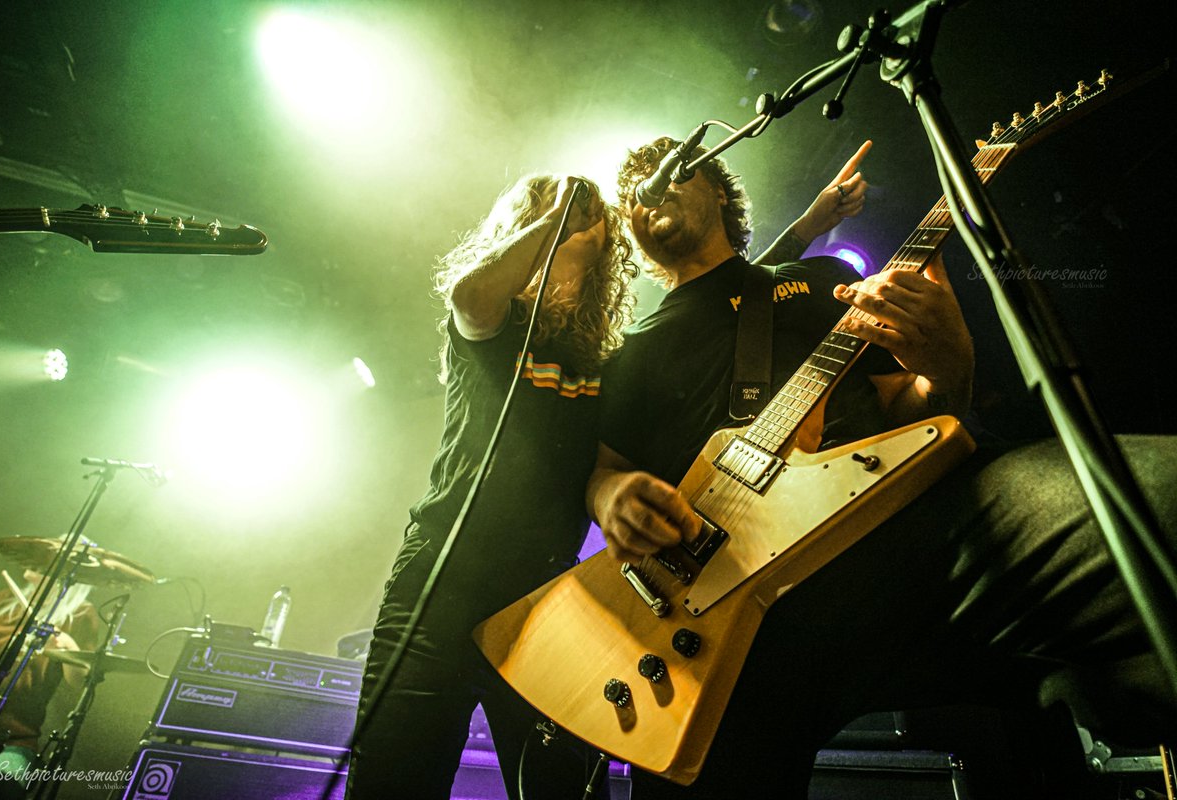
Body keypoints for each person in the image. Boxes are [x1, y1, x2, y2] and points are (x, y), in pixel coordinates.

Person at [586, 136, 1177, 798]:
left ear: (718, 189)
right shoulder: (633, 350)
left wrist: (950, 362)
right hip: (725, 615)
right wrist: (612, 498)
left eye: (668, 173)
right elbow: (608, 469)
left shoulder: (815, 280)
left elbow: (917, 403)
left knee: (1155, 499)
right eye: (632, 191)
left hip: (906, 542)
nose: (648, 190)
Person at [346, 155, 871, 798]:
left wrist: (809, 225)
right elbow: (469, 294)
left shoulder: (605, 357)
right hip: (440, 590)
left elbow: (728, 297)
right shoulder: (493, 330)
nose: (579, 217)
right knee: (394, 782)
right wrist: (557, 216)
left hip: (551, 603)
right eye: (551, 209)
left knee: (564, 789)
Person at [0, 572, 97, 797]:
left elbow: (81, 681)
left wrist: (68, 647)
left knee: (2, 788)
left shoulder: (79, 614)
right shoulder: (3, 600)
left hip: (15, 737)